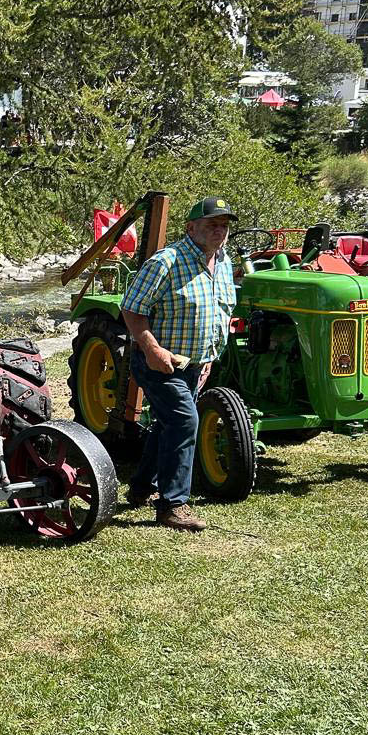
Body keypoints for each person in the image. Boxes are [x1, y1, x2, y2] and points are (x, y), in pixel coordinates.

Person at [120, 196, 239, 532]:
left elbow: (219, 313)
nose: (219, 231)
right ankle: (173, 505)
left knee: (168, 424)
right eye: (212, 224)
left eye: (224, 226)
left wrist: (208, 358)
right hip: (159, 362)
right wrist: (152, 349)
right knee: (185, 422)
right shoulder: (166, 262)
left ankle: (142, 487)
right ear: (190, 228)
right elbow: (132, 309)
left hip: (195, 364)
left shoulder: (224, 262)